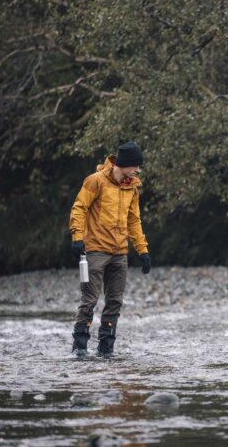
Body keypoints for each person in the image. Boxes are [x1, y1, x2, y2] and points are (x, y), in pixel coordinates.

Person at [68, 141, 151, 357]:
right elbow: (79, 208)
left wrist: (142, 251)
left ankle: (106, 351)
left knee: (114, 302)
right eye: (136, 166)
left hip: (120, 252)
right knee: (90, 300)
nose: (138, 170)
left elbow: (133, 221)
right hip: (95, 250)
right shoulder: (95, 181)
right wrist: (77, 237)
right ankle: (79, 349)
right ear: (125, 163)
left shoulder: (132, 187)